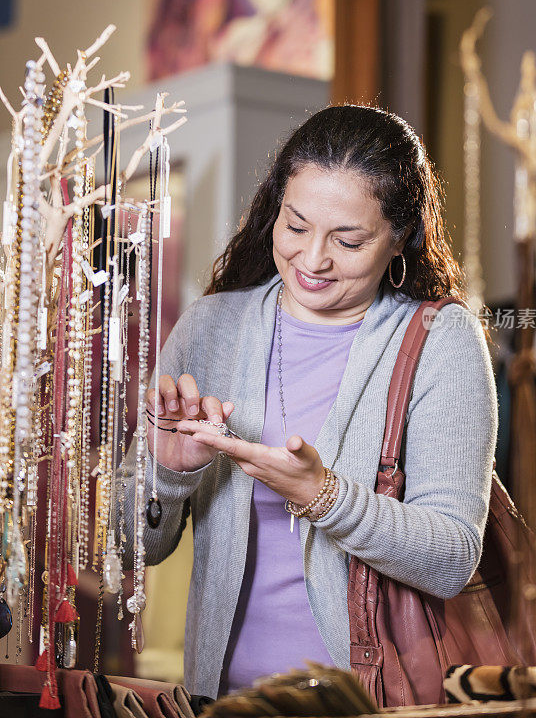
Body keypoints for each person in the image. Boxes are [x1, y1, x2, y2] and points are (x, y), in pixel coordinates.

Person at [121, 105, 498, 700]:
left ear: (399, 236)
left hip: (366, 704)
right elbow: (130, 548)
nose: (313, 259)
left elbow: (452, 559)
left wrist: (323, 497)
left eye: (348, 240)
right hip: (219, 702)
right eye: (295, 227)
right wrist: (167, 476)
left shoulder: (439, 341)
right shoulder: (211, 328)